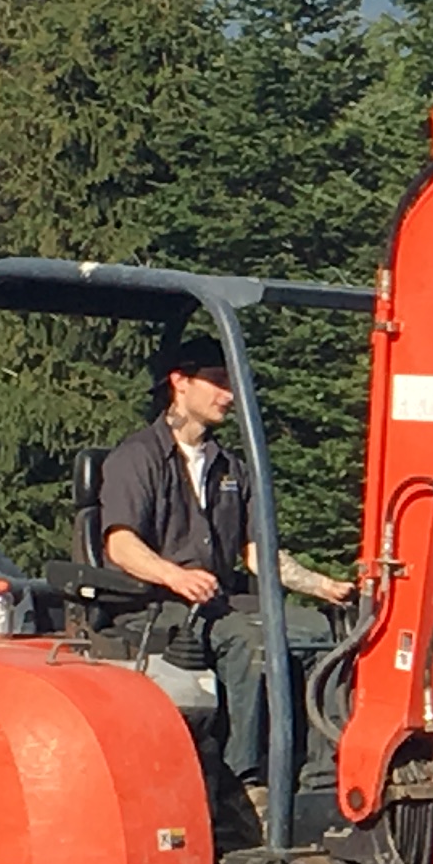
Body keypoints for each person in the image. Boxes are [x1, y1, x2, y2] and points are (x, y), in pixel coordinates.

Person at [94, 332, 354, 826]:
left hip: (213, 602)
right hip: (151, 605)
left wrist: (322, 587)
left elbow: (256, 551)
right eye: (216, 381)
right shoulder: (138, 458)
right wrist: (175, 575)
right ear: (180, 382)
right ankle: (243, 785)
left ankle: (318, 782)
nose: (227, 393)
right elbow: (119, 544)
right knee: (248, 641)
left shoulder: (229, 466)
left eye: (229, 382)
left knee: (320, 635)